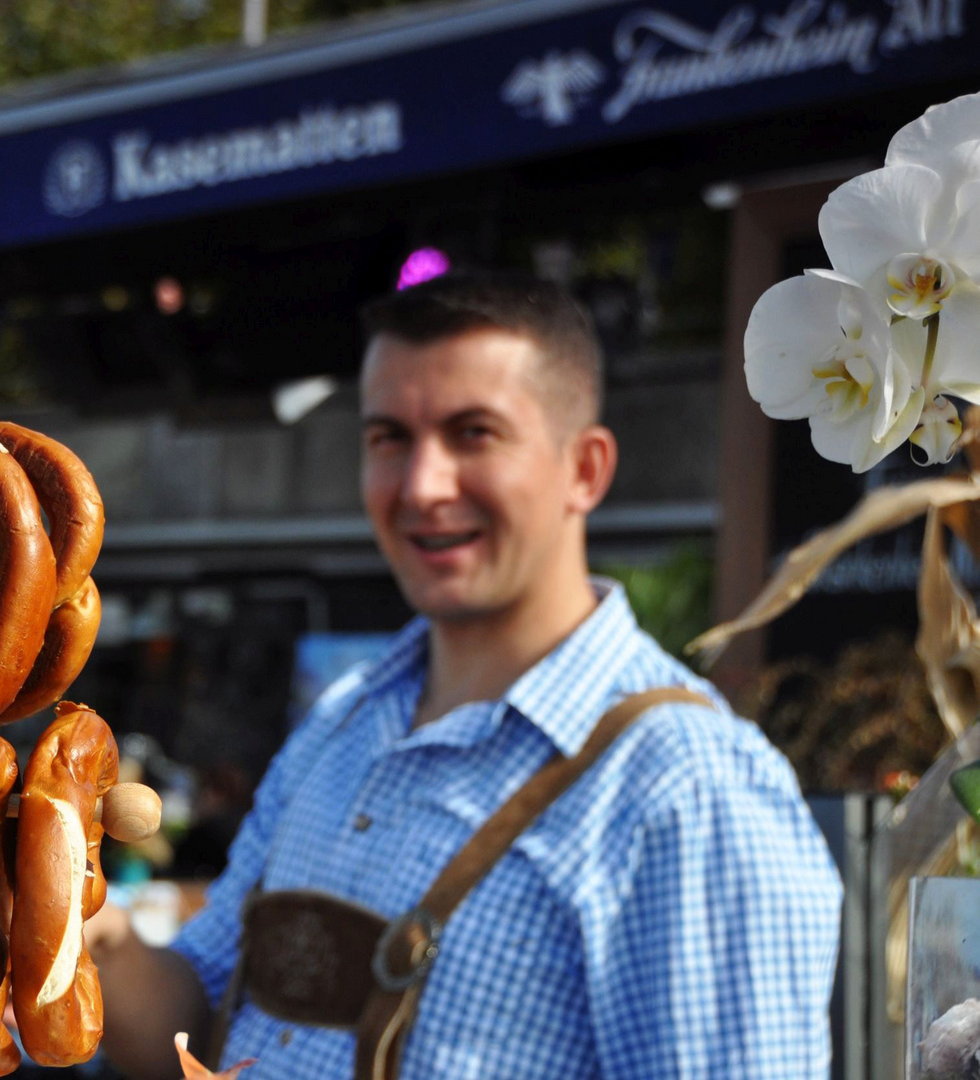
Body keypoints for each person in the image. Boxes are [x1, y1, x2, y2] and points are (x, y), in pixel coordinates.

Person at [85, 275, 843, 1079]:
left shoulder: (685, 788)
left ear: (584, 469)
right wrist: (91, 929)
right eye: (388, 438)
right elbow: (195, 1024)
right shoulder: (345, 722)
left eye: (472, 432)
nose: (421, 487)